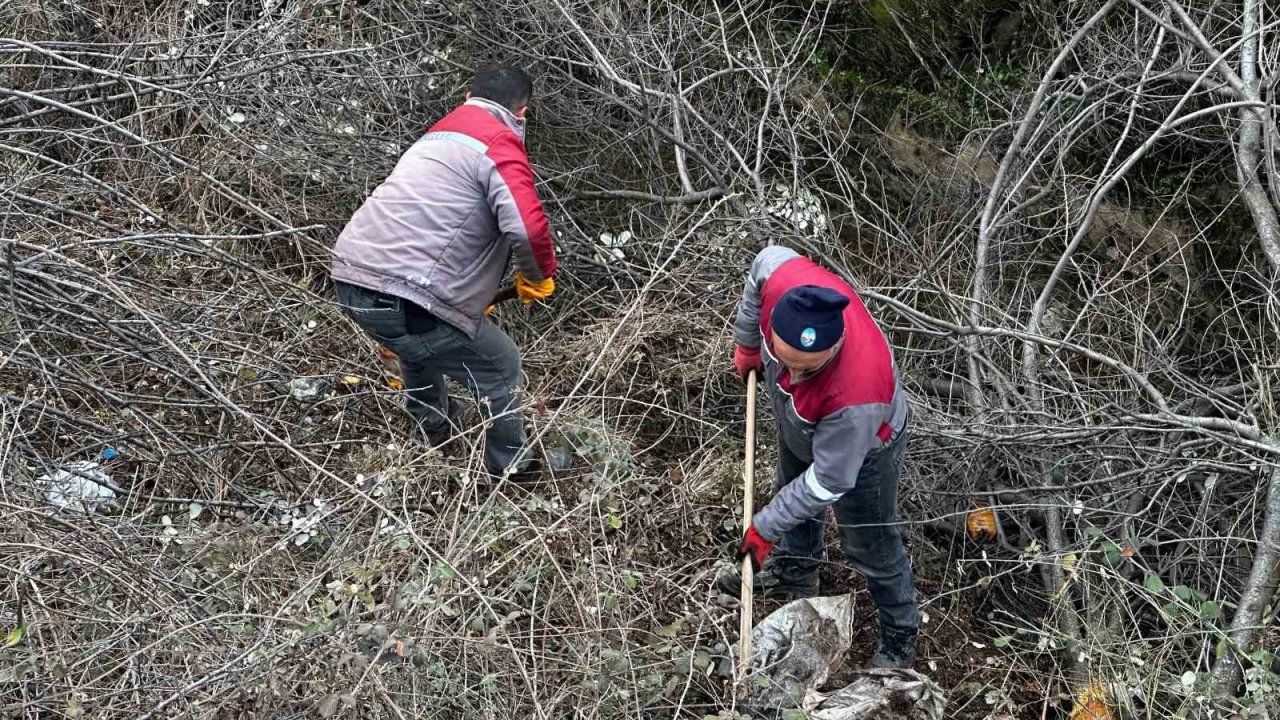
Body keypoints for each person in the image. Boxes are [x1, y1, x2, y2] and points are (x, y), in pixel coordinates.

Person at [330, 65, 556, 481]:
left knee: (419, 351)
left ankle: (432, 431)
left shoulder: (436, 136)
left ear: (470, 93)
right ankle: (513, 469)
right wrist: (538, 274)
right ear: (521, 111)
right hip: (407, 294)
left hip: (350, 279)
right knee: (503, 367)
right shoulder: (497, 142)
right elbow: (527, 226)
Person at [718, 244, 920, 669]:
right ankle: (796, 571)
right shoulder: (783, 281)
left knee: (869, 541)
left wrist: (764, 526)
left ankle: (901, 635)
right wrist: (748, 344)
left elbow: (827, 481)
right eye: (784, 362)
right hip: (805, 423)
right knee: (789, 491)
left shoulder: (857, 394)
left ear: (835, 347)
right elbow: (762, 263)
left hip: (866, 450)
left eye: (806, 370)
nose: (790, 378)